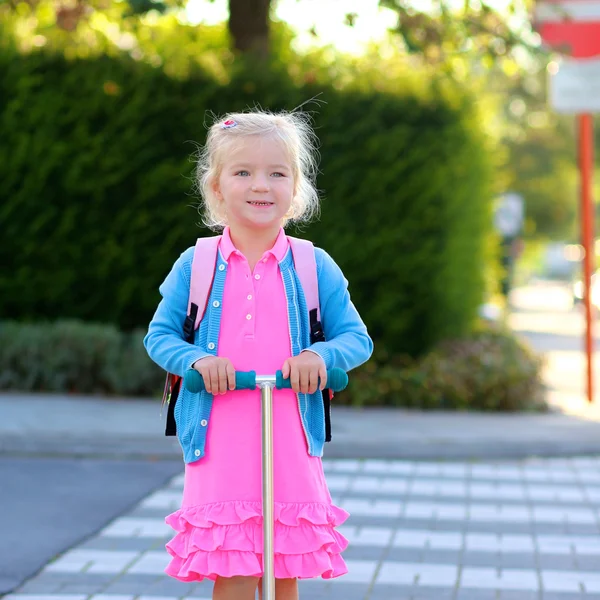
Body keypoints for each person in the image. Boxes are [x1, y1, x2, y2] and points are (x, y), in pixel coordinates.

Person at [144, 110, 373, 600]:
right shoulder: (198, 263)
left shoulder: (313, 264)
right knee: (233, 565)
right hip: (219, 435)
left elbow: (356, 339)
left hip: (288, 432)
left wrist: (320, 356)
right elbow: (160, 337)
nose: (260, 184)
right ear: (217, 187)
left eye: (277, 172)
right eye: (243, 172)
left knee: (281, 560)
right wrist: (196, 362)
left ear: (296, 187)